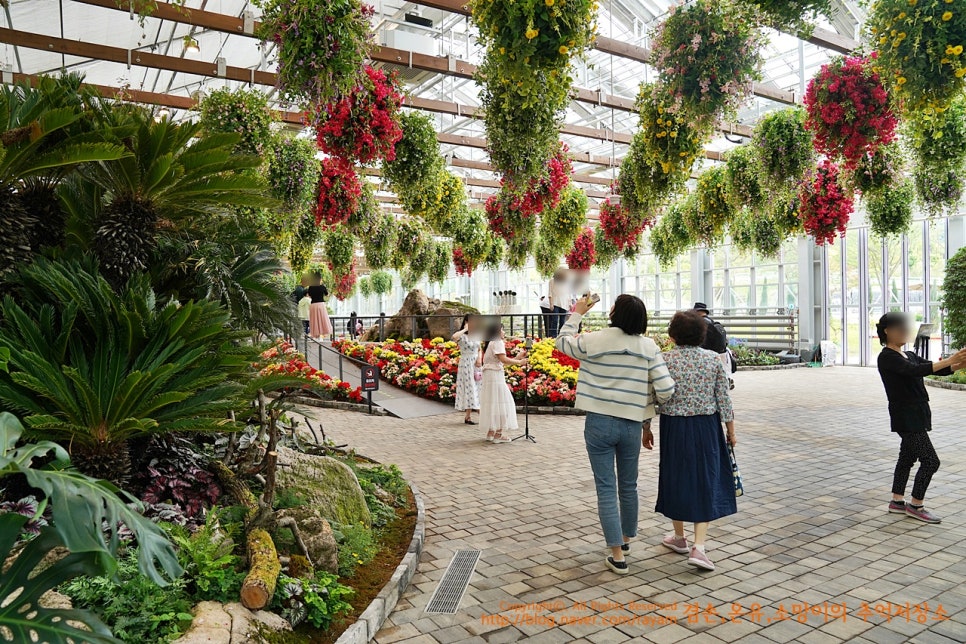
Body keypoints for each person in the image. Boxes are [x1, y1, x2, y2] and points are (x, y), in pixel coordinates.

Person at [556, 294, 675, 575]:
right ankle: (625, 539)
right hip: (632, 424)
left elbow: (562, 343)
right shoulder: (648, 347)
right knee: (629, 485)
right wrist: (647, 410)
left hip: (598, 423)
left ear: (614, 313)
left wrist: (578, 313)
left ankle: (617, 555)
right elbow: (667, 390)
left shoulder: (596, 340)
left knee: (606, 488)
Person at [656, 310, 737, 572]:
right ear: (702, 334)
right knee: (705, 479)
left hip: (674, 426)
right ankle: (699, 547)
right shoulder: (713, 360)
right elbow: (724, 399)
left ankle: (679, 537)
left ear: (673, 334)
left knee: (675, 477)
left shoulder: (664, 359)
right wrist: (731, 431)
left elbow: (654, 394)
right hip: (706, 426)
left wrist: (646, 427)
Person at [876, 312, 966, 524]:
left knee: (907, 457)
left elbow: (934, 369)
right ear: (888, 331)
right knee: (930, 461)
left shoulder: (909, 354)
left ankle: (897, 501)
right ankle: (916, 505)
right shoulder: (887, 357)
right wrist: (951, 360)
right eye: (900, 328)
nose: (905, 331)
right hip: (905, 416)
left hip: (917, 413)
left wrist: (958, 363)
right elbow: (913, 371)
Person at [479, 322, 527, 443]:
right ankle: (498, 434)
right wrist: (520, 362)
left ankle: (491, 432)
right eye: (502, 330)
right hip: (495, 377)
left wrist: (517, 357)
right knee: (503, 403)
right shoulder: (498, 341)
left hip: (489, 376)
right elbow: (503, 360)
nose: (504, 333)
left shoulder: (490, 343)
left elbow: (500, 362)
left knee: (493, 402)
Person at [693, 302, 734, 390]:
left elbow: (702, 340)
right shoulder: (712, 321)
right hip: (721, 352)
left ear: (698, 312)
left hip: (709, 352)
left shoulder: (700, 323)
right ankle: (725, 381)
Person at [452, 314, 484, 425]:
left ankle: (468, 417)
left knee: (477, 387)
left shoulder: (477, 334)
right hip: (466, 363)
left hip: (477, 364)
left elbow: (480, 348)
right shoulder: (462, 335)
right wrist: (465, 329)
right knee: (471, 387)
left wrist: (479, 359)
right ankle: (483, 416)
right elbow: (454, 337)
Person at [307, 273, 333, 339]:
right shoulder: (322, 287)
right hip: (320, 304)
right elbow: (327, 294)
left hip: (313, 305)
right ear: (320, 279)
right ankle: (322, 334)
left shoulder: (311, 287)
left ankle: (316, 335)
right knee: (322, 319)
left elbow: (309, 295)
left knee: (314, 320)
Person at [546, 268, 569, 338]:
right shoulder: (552, 281)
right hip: (555, 303)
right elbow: (550, 293)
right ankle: (553, 336)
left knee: (562, 321)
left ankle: (561, 336)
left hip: (564, 304)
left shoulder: (566, 282)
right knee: (555, 320)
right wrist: (551, 304)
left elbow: (568, 293)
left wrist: (569, 303)